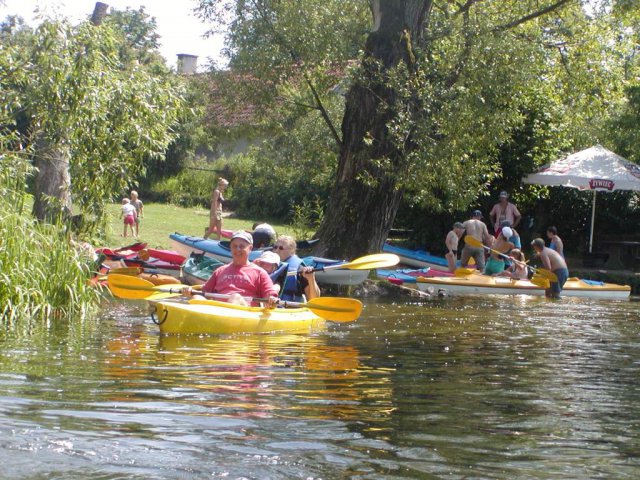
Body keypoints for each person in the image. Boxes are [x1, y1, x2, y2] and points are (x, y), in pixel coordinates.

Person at [182, 231, 279, 306]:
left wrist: (271, 300)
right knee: (196, 298)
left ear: (250, 248)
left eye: (242, 246)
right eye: (234, 246)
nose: (237, 249)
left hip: (245, 311)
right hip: (219, 310)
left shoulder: (259, 272)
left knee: (235, 297)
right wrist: (190, 293)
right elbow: (205, 292)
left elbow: (269, 294)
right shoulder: (220, 270)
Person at [273, 235, 320, 302]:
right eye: (275, 247)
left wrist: (311, 279)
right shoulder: (267, 264)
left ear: (291, 251)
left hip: (289, 307)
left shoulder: (299, 269)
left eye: (281, 248)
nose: (277, 250)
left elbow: (314, 299)